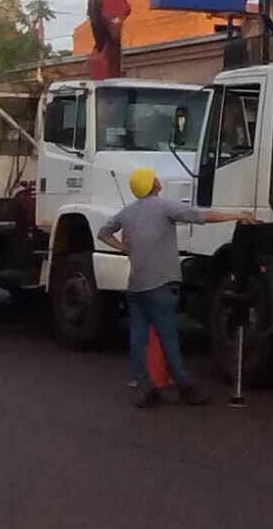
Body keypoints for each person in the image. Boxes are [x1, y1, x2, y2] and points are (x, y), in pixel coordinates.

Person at [99, 168, 256, 407]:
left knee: (138, 336)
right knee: (168, 338)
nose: (157, 179)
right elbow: (200, 216)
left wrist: (124, 248)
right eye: (154, 177)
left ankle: (144, 385)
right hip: (161, 285)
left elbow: (103, 233)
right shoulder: (164, 207)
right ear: (152, 184)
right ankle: (184, 386)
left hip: (136, 286)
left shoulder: (127, 212)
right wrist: (236, 216)